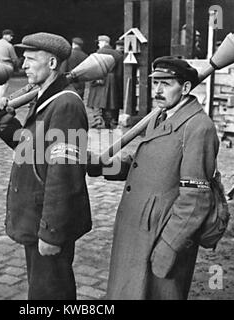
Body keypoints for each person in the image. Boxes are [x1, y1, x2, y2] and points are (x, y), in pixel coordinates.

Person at [88, 56, 219, 299]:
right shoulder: (160, 116)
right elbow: (143, 164)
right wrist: (101, 165)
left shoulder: (199, 128)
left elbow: (196, 198)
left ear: (186, 88)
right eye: (155, 83)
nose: (157, 90)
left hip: (160, 233)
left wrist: (170, 245)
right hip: (136, 229)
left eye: (166, 84)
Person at [0, 32, 92, 300]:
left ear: (53, 63)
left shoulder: (66, 104)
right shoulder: (45, 96)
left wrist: (51, 233)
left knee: (51, 292)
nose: (23, 65)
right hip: (37, 215)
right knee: (42, 288)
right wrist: (5, 121)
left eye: (31, 59)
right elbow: (30, 150)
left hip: (48, 220)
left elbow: (64, 175)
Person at [87, 35, 123, 129]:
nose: (98, 44)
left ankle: (98, 119)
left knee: (98, 102)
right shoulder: (117, 54)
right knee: (110, 103)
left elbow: (92, 69)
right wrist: (119, 85)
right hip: (112, 79)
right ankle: (109, 121)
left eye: (99, 42)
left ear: (104, 42)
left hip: (99, 78)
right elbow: (119, 74)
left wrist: (92, 81)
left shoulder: (96, 54)